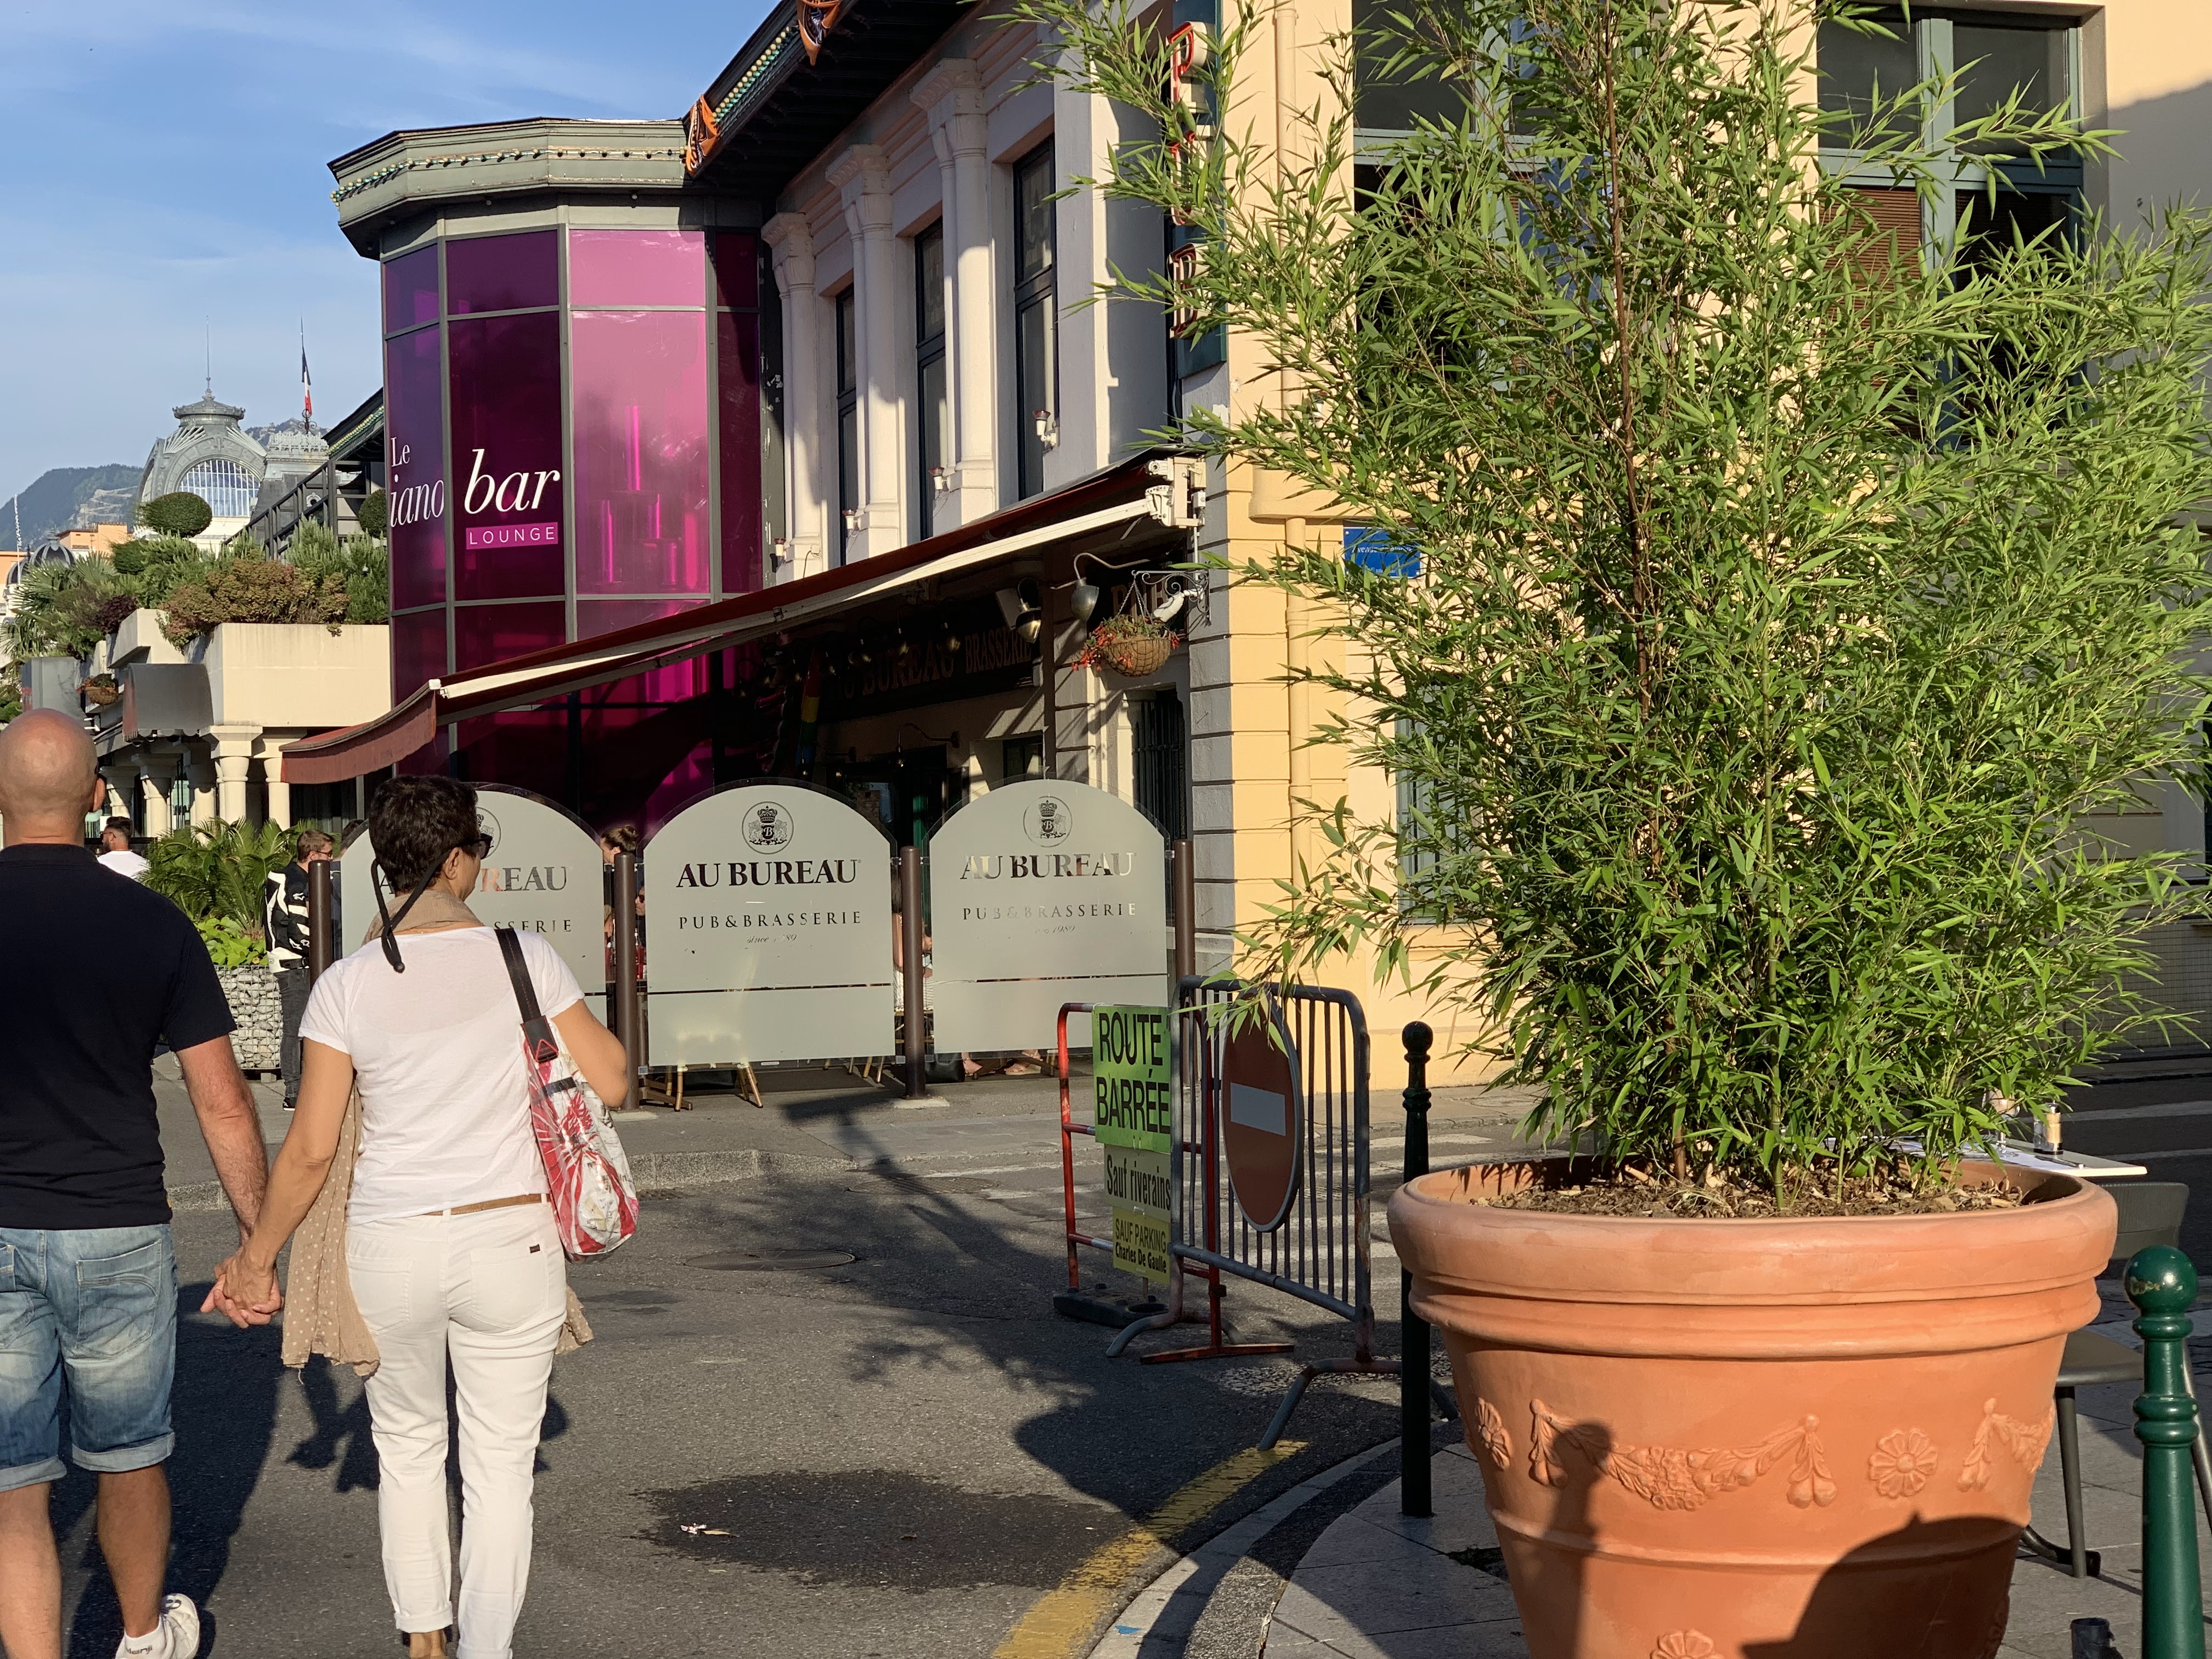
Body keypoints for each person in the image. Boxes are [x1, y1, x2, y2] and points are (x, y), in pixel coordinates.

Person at [210, 776, 628, 1659]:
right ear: (457, 860)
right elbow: (614, 1080)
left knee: (405, 1450)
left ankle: (425, 1642)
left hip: (391, 1241)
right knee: (500, 1472)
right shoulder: (525, 957)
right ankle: (486, 1650)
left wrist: (258, 1257)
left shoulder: (346, 984)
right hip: (510, 1236)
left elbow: (313, 1149)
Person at [0, 710, 270, 1659]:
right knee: (128, 1455)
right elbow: (223, 1102)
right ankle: (144, 1635)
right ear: (92, 795)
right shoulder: (154, 923)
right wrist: (258, 1246)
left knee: (12, 1481)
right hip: (116, 1225)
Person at [263, 828, 335, 1110]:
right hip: (294, 964)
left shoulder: (284, 877)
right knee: (295, 1028)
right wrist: (320, 951)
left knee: (297, 1027)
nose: (332, 860)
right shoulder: (297, 883)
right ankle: (293, 1092)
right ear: (314, 856)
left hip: (288, 961)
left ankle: (297, 1089)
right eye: (329, 855)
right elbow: (298, 929)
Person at [95, 817, 149, 881]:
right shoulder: (145, 864)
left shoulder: (99, 863)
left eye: (102, 835)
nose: (102, 841)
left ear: (111, 837)